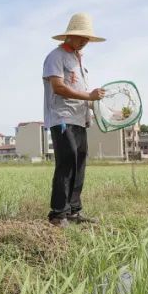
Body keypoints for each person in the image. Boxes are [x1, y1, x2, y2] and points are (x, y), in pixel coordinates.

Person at [42, 13, 106, 227]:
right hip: (62, 117)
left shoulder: (79, 60)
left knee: (79, 164)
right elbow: (58, 87)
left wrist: (95, 103)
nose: (85, 41)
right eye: (81, 36)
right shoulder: (56, 56)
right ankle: (58, 214)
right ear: (69, 35)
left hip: (79, 119)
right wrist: (89, 96)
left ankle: (74, 211)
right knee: (67, 162)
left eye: (87, 38)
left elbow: (82, 93)